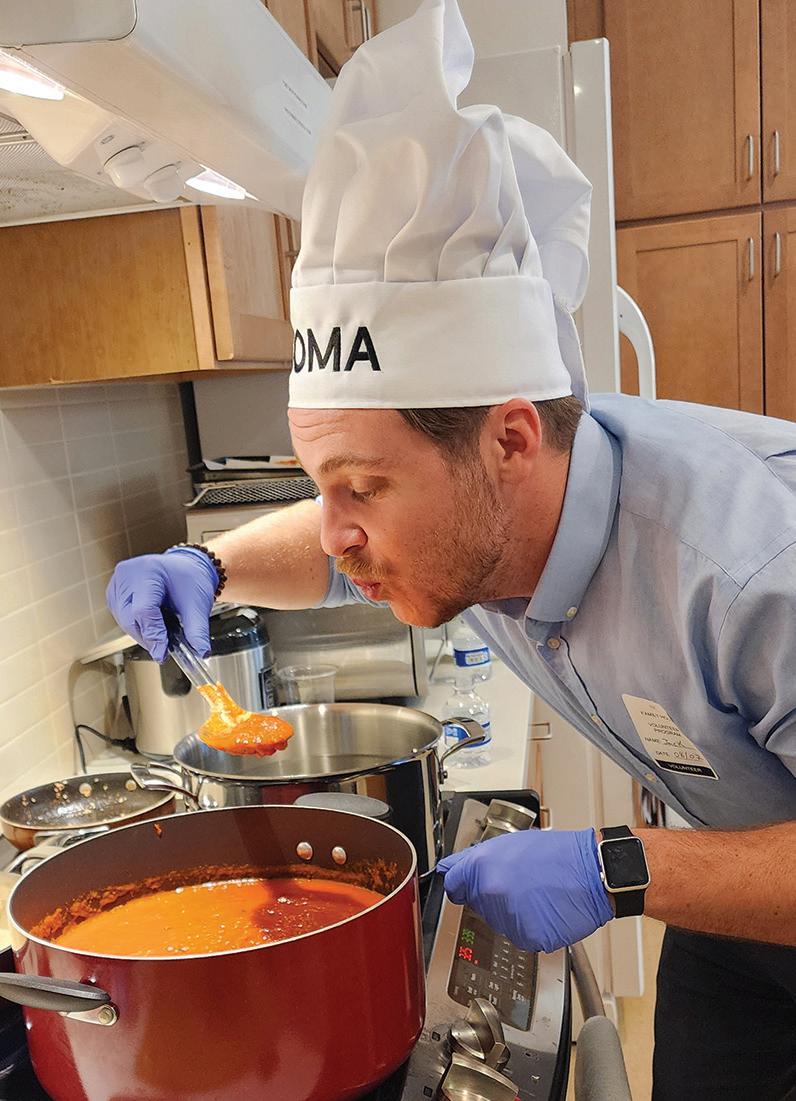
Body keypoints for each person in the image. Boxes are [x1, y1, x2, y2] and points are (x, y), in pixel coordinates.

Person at [106, 1, 796, 1097]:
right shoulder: (480, 526)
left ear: (509, 439)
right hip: (736, 907)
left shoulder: (750, 570)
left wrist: (616, 866)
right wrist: (211, 565)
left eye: (364, 486)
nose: (338, 531)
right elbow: (332, 550)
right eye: (324, 484)